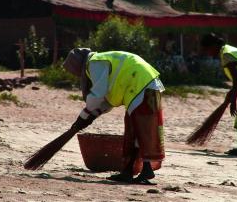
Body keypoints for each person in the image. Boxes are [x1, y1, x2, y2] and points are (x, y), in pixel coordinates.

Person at [63, 48, 165, 184]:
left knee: (141, 130)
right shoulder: (100, 61)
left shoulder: (95, 62)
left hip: (140, 85)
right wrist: (92, 114)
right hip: (143, 84)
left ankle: (145, 171)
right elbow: (107, 101)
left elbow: (98, 93)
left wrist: (83, 117)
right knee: (135, 130)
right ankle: (129, 171)